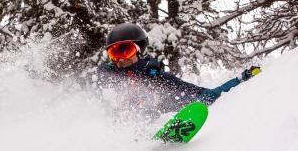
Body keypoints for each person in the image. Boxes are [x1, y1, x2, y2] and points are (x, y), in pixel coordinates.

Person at [97, 23, 260, 115]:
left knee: (189, 100)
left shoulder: (154, 76)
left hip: (151, 116)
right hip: (119, 124)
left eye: (125, 50)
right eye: (114, 53)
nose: (120, 58)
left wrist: (240, 79)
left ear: (140, 49)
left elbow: (204, 93)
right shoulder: (107, 76)